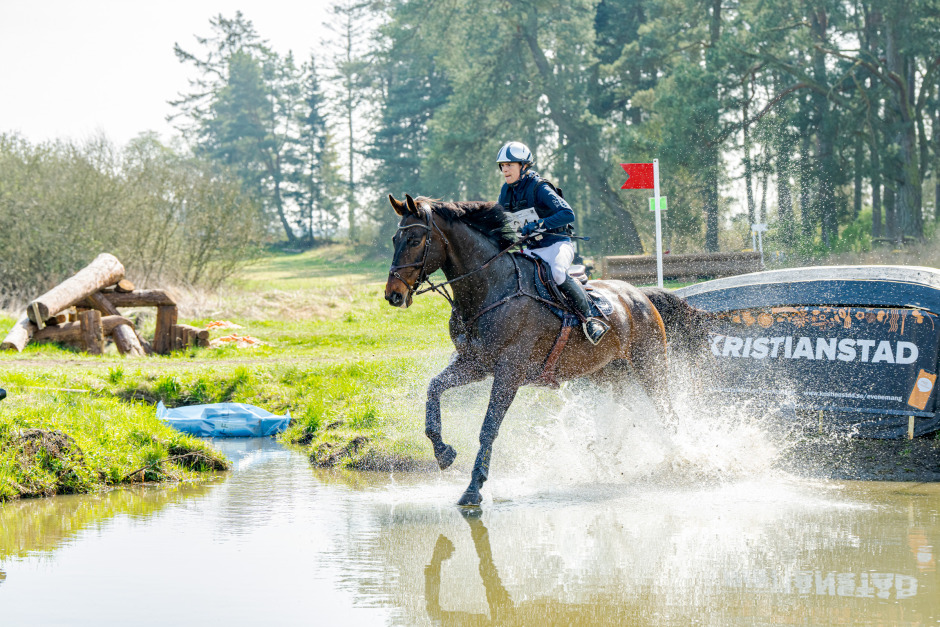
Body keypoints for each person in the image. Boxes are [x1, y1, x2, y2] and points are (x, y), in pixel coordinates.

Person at [495, 141, 609, 345]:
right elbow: (499, 219)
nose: (505, 169)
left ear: (523, 166)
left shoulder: (540, 188)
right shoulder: (506, 191)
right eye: (502, 165)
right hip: (531, 250)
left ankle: (589, 319)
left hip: (556, 246)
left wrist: (540, 224)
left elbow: (568, 214)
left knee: (557, 273)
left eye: (509, 165)